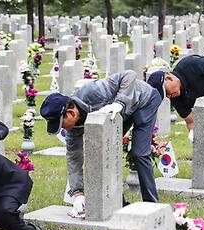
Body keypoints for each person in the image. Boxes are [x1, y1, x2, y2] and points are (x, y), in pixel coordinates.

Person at [40, 70, 162, 219]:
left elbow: (128, 74)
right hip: (118, 115)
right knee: (102, 153)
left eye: (61, 124)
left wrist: (120, 102)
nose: (63, 129)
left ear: (71, 113)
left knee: (139, 153)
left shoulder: (93, 92)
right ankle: (118, 204)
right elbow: (74, 160)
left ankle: (153, 206)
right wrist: (78, 193)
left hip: (143, 100)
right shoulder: (73, 130)